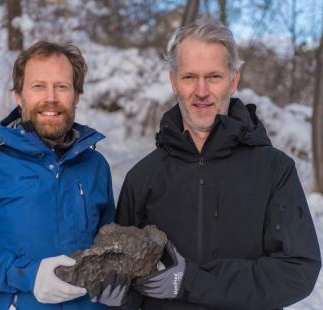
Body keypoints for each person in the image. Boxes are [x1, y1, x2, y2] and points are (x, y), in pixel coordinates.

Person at [114, 18, 321, 310]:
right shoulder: (142, 178)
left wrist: (192, 281)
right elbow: (128, 277)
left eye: (213, 76)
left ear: (233, 80)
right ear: (173, 81)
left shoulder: (274, 170)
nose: (201, 91)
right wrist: (117, 295)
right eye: (189, 77)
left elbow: (298, 271)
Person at [0, 41, 116, 310]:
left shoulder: (94, 166)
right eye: (38, 86)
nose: (51, 97)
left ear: (76, 95)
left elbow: (109, 248)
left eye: (62, 87)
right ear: (19, 96)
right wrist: (25, 276)